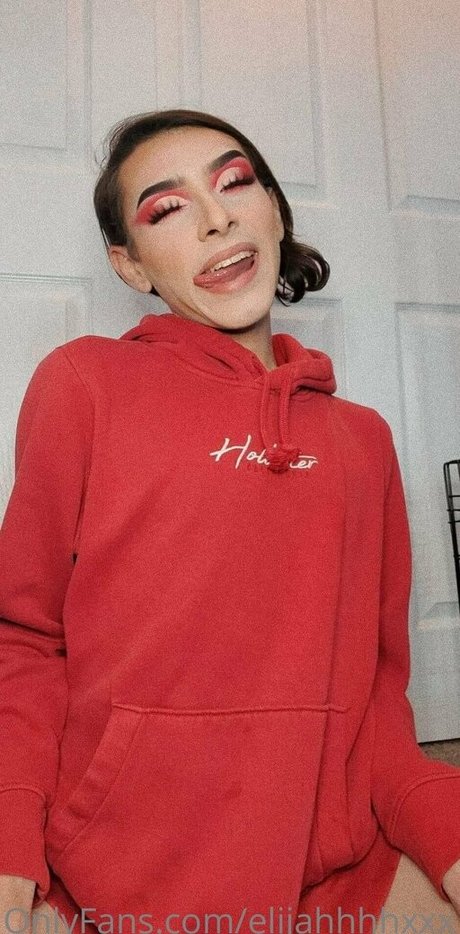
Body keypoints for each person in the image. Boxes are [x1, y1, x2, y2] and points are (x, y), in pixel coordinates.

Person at [1, 108, 460, 934]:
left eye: (236, 183)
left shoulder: (362, 441)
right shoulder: (84, 386)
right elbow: (23, 639)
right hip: (116, 880)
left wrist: (444, 827)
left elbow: (377, 698)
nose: (215, 217)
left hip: (329, 872)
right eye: (166, 208)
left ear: (274, 213)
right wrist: (8, 839)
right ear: (130, 264)